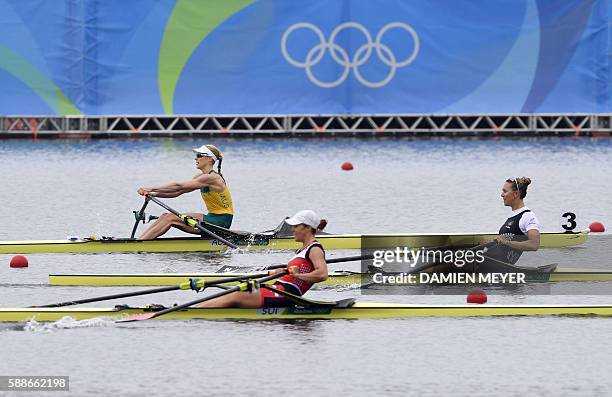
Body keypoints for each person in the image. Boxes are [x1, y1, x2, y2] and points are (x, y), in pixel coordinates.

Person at [193, 210, 328, 308]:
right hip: (278, 288)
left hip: (286, 295)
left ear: (308, 228)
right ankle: (193, 308)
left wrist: (297, 275)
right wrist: (283, 271)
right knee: (236, 290)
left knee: (236, 296)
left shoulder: (314, 249)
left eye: (296, 226)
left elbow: (322, 274)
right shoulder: (302, 249)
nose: (292, 229)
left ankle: (192, 311)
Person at [137, 144, 233, 240]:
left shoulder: (212, 178)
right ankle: (140, 241)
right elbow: (179, 191)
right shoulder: (199, 177)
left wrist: (151, 189)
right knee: (165, 216)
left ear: (209, 159)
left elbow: (179, 186)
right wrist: (155, 194)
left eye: (199, 155)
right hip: (212, 217)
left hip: (221, 221)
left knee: (169, 218)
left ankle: (139, 245)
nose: (195, 159)